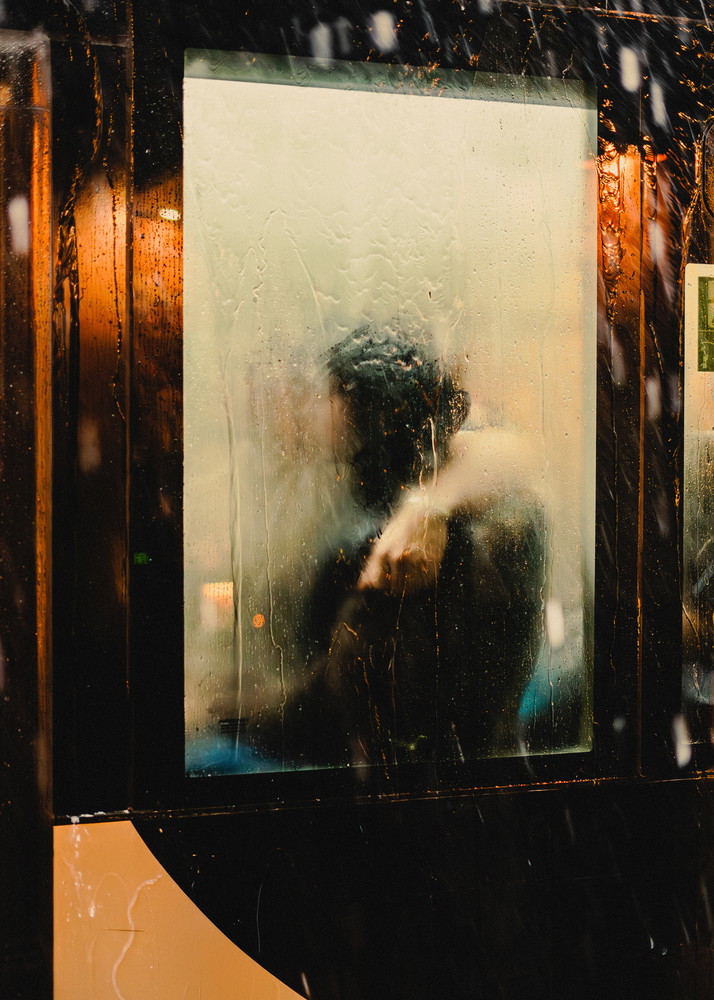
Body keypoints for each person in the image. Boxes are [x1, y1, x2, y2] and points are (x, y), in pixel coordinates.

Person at [252, 323, 545, 768]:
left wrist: (241, 714)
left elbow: (342, 708)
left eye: (327, 398)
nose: (309, 415)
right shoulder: (500, 516)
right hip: (496, 774)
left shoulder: (380, 549)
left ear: (362, 419)